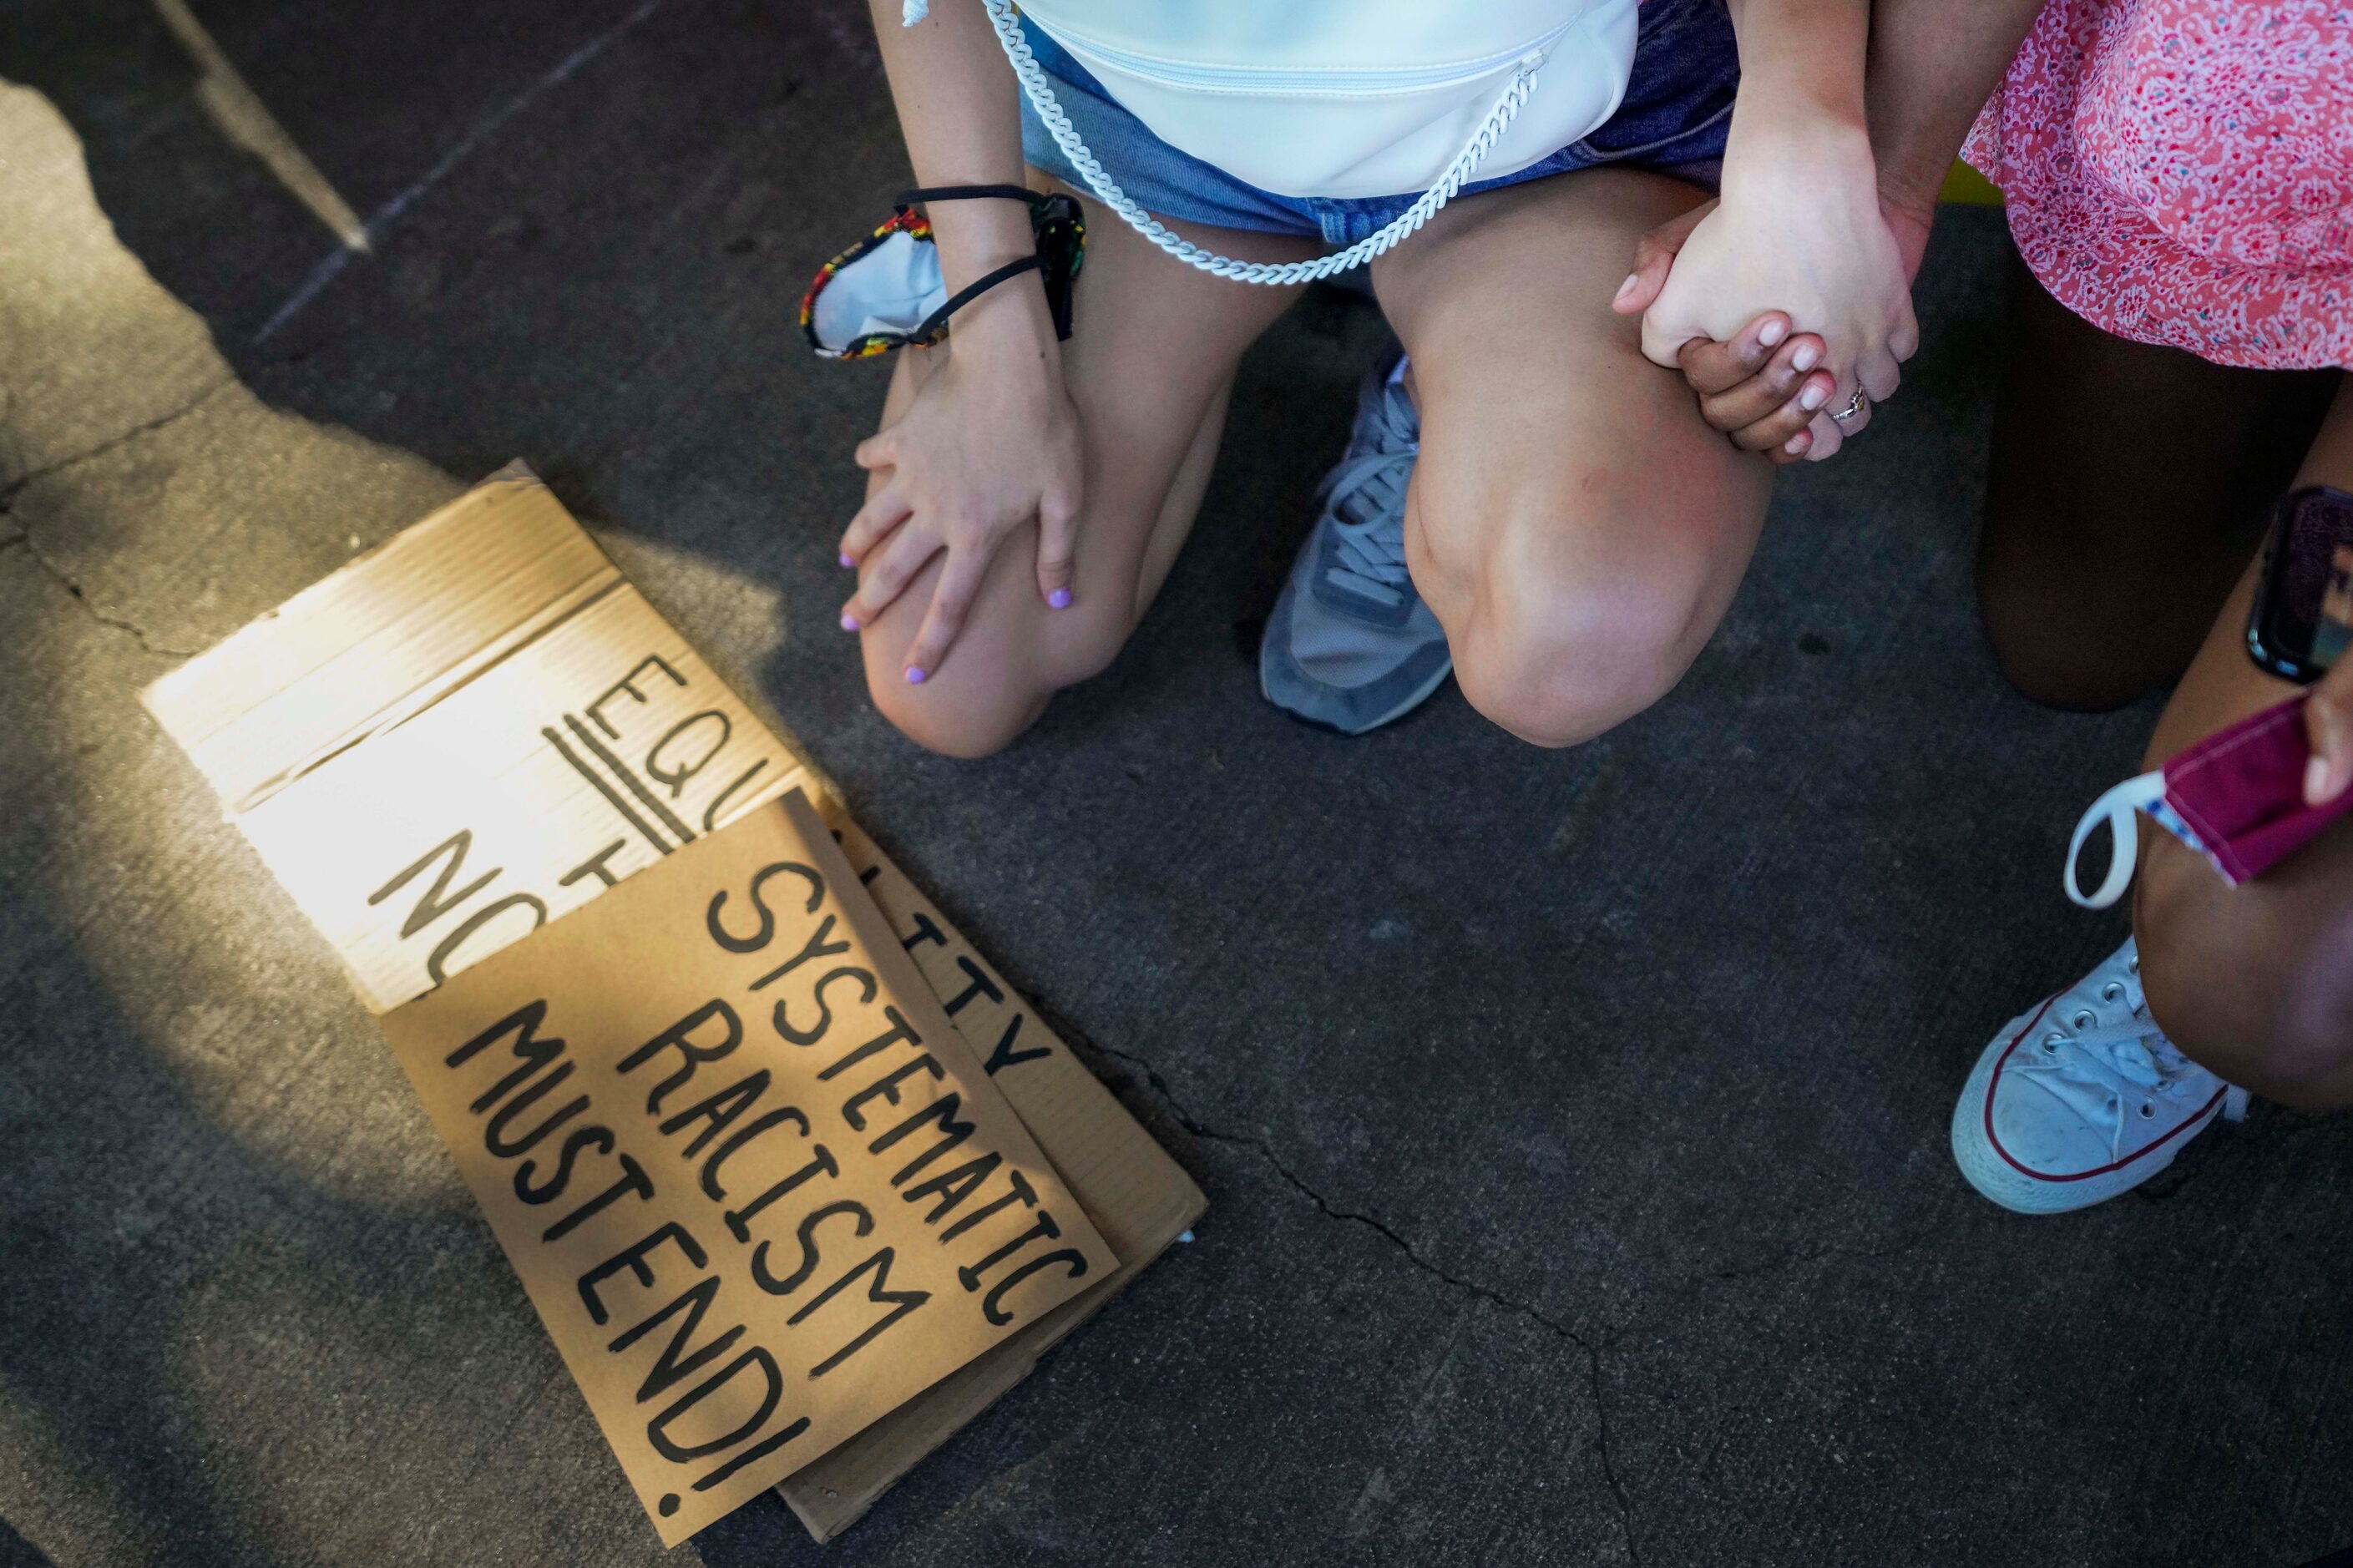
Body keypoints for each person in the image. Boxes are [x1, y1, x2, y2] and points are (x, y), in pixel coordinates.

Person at [1624, 0, 2353, 1211]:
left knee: (2253, 965)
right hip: (2240, 139)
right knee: (2066, 642)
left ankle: (2200, 997)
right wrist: (1868, 192)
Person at [835, 0, 1914, 756]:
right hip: (1148, 131)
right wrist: (994, 345)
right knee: (954, 675)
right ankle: (1288, 363)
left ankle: (1446, 401)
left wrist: (1801, 147)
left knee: (1572, 630)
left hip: (1564, 141)